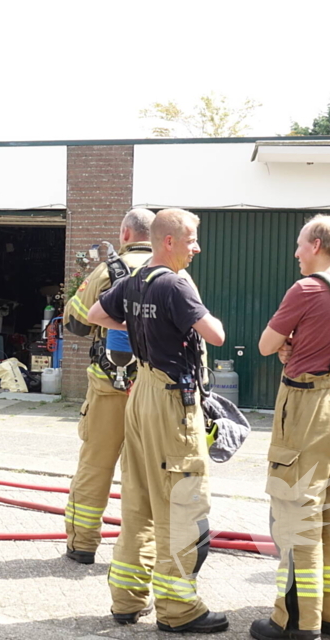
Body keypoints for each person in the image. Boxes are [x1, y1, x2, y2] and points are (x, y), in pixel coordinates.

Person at [88, 208, 229, 634]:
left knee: (138, 501)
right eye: (191, 240)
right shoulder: (176, 284)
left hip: (141, 394)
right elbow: (216, 335)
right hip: (171, 404)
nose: (197, 248)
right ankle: (179, 610)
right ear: (168, 241)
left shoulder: (133, 282)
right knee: (182, 504)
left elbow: (95, 314)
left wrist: (136, 328)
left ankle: (127, 602)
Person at [251, 215, 330, 640]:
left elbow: (267, 345)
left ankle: (297, 623)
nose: (296, 254)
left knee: (298, 512)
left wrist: (290, 346)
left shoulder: (306, 288)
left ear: (319, 244)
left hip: (309, 407)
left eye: (301, 245)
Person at [62, 207, 155, 564]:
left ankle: (82, 544)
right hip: (153, 388)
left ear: (126, 233)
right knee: (146, 472)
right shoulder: (171, 272)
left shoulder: (108, 270)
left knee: (96, 465)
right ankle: (138, 551)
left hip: (108, 385)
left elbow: (77, 321)